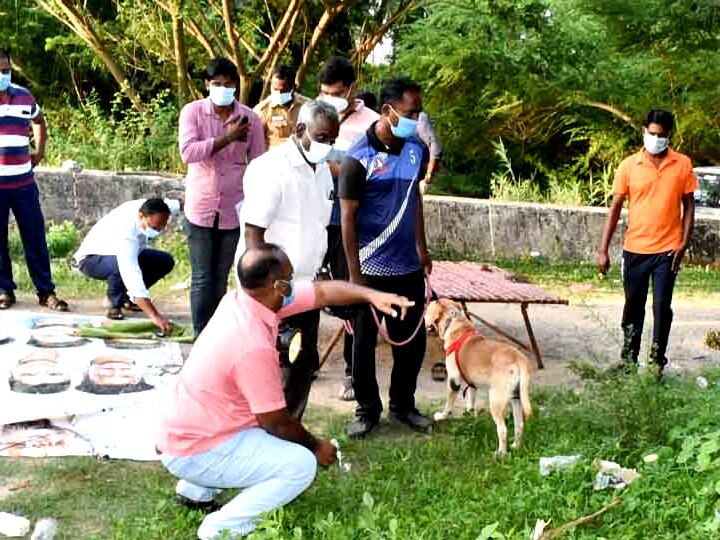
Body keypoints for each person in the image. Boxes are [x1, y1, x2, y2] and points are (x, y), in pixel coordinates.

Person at [156, 244, 414, 540]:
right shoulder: (251, 344)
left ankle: (195, 490)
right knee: (299, 465)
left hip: (182, 432)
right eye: (289, 280)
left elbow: (323, 292)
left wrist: (372, 295)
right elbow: (275, 422)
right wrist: (316, 447)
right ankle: (220, 529)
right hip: (194, 449)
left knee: (252, 424)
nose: (293, 286)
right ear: (277, 286)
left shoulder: (241, 300)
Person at [339, 76, 433, 438]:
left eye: (420, 112)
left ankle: (403, 406)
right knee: (363, 343)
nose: (417, 119)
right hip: (369, 268)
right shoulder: (357, 158)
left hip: (407, 265)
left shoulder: (416, 150)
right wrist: (354, 275)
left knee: (411, 342)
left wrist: (422, 250)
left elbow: (416, 200)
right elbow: (348, 218)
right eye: (411, 112)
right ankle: (367, 410)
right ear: (387, 111)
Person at [236, 100, 338, 419]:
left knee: (303, 361)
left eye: (332, 140)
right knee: (265, 364)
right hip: (270, 287)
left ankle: (290, 427)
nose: (327, 146)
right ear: (299, 130)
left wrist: (322, 270)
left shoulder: (322, 171)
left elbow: (318, 227)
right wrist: (267, 293)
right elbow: (254, 235)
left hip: (305, 286)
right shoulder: (271, 168)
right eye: (322, 138)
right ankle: (258, 430)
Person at [597, 109, 696, 380]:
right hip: (635, 249)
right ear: (643, 131)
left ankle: (656, 362)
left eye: (661, 135)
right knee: (633, 306)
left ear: (669, 136)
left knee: (662, 306)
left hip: (668, 250)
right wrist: (603, 249)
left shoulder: (682, 164)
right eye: (652, 134)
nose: (656, 139)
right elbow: (615, 208)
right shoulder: (629, 165)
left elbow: (689, 207)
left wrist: (683, 244)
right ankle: (628, 359)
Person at [179, 57, 265, 337]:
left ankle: (214, 335)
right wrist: (225, 139)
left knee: (221, 277)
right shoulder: (192, 112)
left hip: (233, 210)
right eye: (217, 84)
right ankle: (199, 333)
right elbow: (188, 153)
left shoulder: (250, 119)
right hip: (201, 206)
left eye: (228, 85)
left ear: (236, 87)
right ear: (207, 85)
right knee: (202, 277)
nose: (223, 89)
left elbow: (259, 163)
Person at [317, 56, 380, 401]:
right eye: (325, 92)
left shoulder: (372, 124)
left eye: (337, 92)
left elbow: (371, 174)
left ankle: (353, 373)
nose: (331, 98)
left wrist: (338, 169)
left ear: (352, 88)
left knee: (353, 295)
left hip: (348, 223)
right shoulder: (311, 116)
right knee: (302, 292)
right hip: (311, 220)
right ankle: (300, 360)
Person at [0, 49, 68, 312]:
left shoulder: (23, 96)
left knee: (35, 236)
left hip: (23, 184)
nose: (3, 75)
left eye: (6, 70)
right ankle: (4, 290)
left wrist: (39, 152)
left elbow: (39, 120)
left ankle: (45, 291)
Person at [73, 197, 180, 332]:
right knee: (120, 266)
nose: (157, 231)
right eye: (154, 227)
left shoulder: (158, 208)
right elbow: (131, 273)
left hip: (118, 255)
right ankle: (113, 302)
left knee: (164, 261)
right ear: (141, 216)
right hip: (90, 260)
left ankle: (127, 299)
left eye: (161, 228)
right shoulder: (127, 233)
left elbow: (180, 204)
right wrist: (154, 316)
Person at [253, 65, 309, 150]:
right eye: (275, 89)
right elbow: (254, 142)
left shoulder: (307, 106)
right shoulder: (263, 110)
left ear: (293, 87)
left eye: (282, 91)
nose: (278, 93)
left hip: (302, 158)